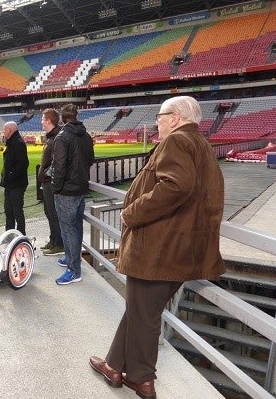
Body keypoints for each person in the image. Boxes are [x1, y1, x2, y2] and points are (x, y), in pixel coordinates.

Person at [89, 96, 225, 399]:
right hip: (182, 251)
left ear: (175, 117)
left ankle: (141, 378)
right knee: (141, 310)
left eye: (160, 116)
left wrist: (130, 213)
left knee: (144, 314)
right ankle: (114, 365)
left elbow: (176, 186)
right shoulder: (201, 144)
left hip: (159, 250)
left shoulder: (176, 142)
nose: (156, 122)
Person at [51, 104, 94, 285]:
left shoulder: (62, 137)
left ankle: (74, 270)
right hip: (81, 189)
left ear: (62, 118)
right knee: (75, 228)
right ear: (76, 117)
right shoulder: (86, 136)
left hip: (66, 191)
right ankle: (70, 259)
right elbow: (90, 160)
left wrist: (55, 187)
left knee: (69, 230)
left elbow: (59, 167)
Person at [37, 108, 64, 256]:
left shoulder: (56, 138)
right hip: (46, 182)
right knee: (49, 212)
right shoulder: (51, 137)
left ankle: (59, 244)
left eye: (42, 119)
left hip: (50, 182)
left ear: (48, 121)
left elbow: (56, 162)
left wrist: (47, 175)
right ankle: (53, 240)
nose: (41, 122)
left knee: (54, 213)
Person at [0, 121, 29, 235]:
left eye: (4, 130)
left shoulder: (18, 142)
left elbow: (23, 164)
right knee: (8, 210)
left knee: (16, 211)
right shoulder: (13, 142)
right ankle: (9, 234)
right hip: (10, 183)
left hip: (16, 184)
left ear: (10, 130)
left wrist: (10, 175)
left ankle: (21, 235)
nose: (3, 132)